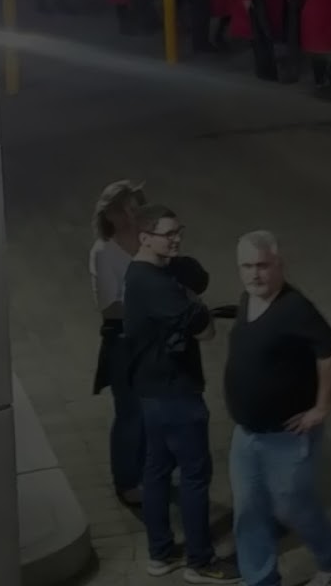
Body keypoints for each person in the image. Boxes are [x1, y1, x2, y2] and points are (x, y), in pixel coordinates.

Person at [224, 232, 331, 586]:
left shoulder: (294, 307)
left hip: (286, 436)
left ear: (279, 265)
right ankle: (261, 580)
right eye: (246, 267)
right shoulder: (247, 300)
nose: (254, 275)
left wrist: (322, 408)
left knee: (293, 507)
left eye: (262, 266)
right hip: (246, 434)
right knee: (249, 513)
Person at [123, 205, 240, 583]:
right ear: (144, 237)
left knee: (156, 471)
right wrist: (193, 302)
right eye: (167, 234)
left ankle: (160, 555)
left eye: (179, 232)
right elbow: (206, 332)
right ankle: (199, 561)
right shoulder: (157, 285)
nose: (175, 239)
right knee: (193, 475)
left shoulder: (139, 272)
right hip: (176, 393)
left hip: (151, 391)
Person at [88, 180, 148, 507]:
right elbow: (108, 306)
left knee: (152, 409)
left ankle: (148, 470)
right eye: (122, 210)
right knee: (130, 412)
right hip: (123, 340)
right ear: (108, 215)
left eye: (133, 208)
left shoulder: (148, 241)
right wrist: (150, 305)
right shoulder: (103, 252)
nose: (129, 216)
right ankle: (126, 480)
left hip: (154, 337)